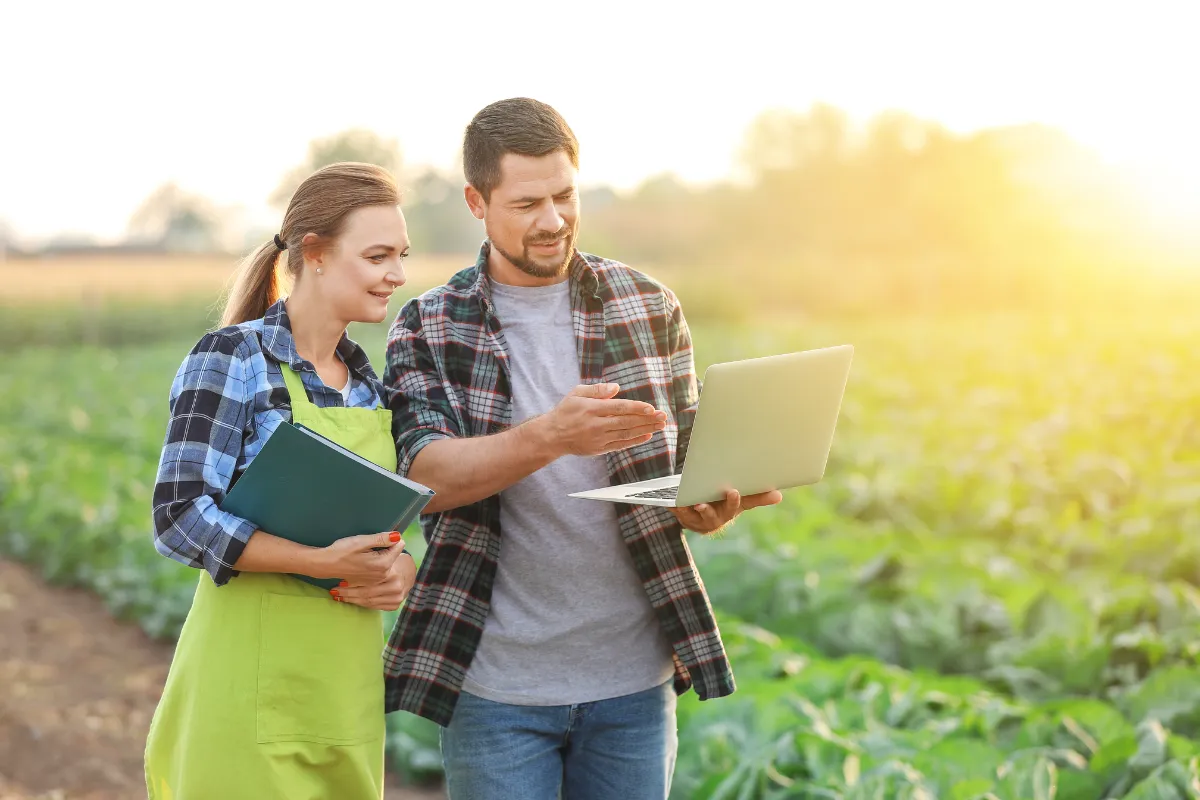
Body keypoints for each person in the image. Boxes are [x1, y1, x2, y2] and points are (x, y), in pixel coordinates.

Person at [382, 98, 783, 800]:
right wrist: (551, 436)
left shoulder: (648, 304)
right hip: (495, 687)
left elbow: (685, 462)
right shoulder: (428, 325)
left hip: (633, 685)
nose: (553, 220)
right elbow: (425, 476)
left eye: (565, 196)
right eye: (527, 202)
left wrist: (707, 504)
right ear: (477, 202)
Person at [145, 163, 417, 800]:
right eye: (378, 256)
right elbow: (178, 516)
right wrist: (316, 559)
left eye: (401, 256)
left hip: (341, 700)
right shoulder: (232, 358)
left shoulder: (372, 391)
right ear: (315, 254)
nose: (397, 275)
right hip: (244, 696)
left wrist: (394, 570)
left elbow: (378, 532)